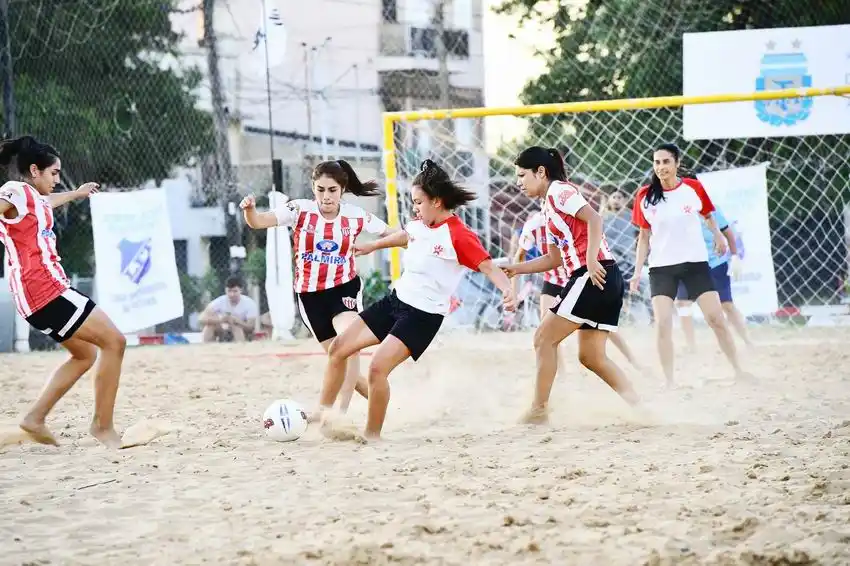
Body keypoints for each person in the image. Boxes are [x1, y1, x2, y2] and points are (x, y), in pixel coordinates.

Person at [315, 159, 517, 441]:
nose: (415, 208)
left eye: (419, 202)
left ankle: (372, 436)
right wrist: (373, 244)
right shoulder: (421, 223)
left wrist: (508, 290)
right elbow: (406, 236)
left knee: (376, 369)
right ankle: (324, 415)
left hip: (422, 316)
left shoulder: (459, 236)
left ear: (436, 201)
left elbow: (489, 267)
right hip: (394, 301)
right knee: (338, 349)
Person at [0, 135, 126, 448]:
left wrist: (77, 194)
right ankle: (102, 425)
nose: (57, 179)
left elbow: (47, 202)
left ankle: (35, 418)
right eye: (54, 173)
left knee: (85, 354)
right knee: (115, 342)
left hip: (35, 296)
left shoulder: (32, 198)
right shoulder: (15, 190)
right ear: (34, 170)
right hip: (46, 290)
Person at [239, 159, 392, 414]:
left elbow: (392, 235)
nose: (326, 196)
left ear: (342, 190)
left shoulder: (355, 215)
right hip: (310, 296)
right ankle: (390, 405)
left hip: (343, 289)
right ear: (313, 188)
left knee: (348, 344)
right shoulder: (299, 210)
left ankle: (337, 414)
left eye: (332, 190)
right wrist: (249, 211)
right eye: (320, 190)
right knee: (338, 360)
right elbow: (259, 222)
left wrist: (410, 239)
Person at [502, 147, 642, 425]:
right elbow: (554, 259)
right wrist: (517, 268)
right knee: (591, 357)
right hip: (603, 276)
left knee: (543, 338)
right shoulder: (547, 205)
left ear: (540, 172)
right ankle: (643, 408)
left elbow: (595, 218)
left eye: (522, 175)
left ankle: (538, 411)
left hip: (592, 275)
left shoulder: (558, 191)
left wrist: (590, 260)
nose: (518, 182)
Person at [629, 142, 749, 385]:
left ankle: (738, 370)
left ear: (677, 163)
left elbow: (708, 216)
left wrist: (718, 236)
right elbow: (643, 237)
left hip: (695, 264)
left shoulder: (693, 188)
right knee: (663, 323)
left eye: (666, 162)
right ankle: (669, 381)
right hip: (662, 268)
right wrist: (636, 270)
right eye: (657, 162)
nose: (661, 167)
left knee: (716, 319)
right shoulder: (645, 195)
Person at [674, 205, 751, 351]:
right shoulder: (674, 209)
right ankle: (691, 347)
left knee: (726, 305)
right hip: (687, 264)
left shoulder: (710, 207)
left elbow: (727, 232)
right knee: (683, 304)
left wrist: (735, 256)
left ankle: (747, 341)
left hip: (714, 262)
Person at [198, 276, 259, 342]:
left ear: (241, 290)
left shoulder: (249, 303)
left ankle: (239, 348)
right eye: (229, 291)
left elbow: (251, 327)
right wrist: (221, 320)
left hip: (241, 331)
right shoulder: (220, 301)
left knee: (236, 327)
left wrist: (236, 321)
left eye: (235, 291)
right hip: (222, 329)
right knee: (209, 327)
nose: (232, 294)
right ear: (225, 290)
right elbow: (201, 318)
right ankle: (207, 349)